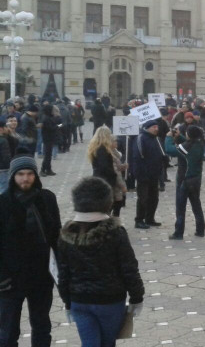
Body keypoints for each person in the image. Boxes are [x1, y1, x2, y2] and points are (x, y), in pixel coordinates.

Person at [57, 177, 145, 346]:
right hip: (110, 301)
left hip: (79, 301)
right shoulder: (116, 233)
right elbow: (129, 268)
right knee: (107, 343)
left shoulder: (67, 235)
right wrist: (136, 297)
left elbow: (63, 273)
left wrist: (67, 301)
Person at [0, 155, 62, 346]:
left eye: (29, 174)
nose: (25, 179)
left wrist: (60, 272)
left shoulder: (47, 199)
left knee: (42, 327)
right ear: (13, 176)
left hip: (41, 276)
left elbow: (57, 237)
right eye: (20, 174)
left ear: (35, 175)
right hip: (11, 279)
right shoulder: (3, 203)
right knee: (8, 332)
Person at [170, 125, 205, 240]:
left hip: (184, 179)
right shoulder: (200, 144)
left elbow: (170, 150)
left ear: (189, 135)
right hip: (196, 179)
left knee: (180, 207)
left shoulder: (185, 147)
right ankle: (200, 230)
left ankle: (178, 232)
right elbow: (188, 142)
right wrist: (179, 136)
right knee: (196, 205)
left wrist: (168, 138)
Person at [130, 120, 166, 230]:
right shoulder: (141, 138)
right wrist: (140, 173)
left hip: (155, 174)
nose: (156, 129)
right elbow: (138, 157)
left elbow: (160, 153)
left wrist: (164, 159)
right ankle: (139, 220)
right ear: (147, 128)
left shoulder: (157, 139)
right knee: (143, 198)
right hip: (143, 174)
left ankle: (150, 218)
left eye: (157, 127)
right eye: (154, 127)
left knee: (154, 198)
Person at [88, 127, 124, 215]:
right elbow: (104, 166)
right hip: (105, 179)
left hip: (99, 177)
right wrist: (114, 175)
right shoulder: (102, 149)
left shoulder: (96, 147)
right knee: (107, 205)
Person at [40, 104, 59, 177]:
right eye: (52, 110)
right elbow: (50, 128)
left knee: (49, 155)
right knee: (47, 155)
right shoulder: (46, 118)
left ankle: (48, 169)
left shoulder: (49, 117)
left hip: (50, 138)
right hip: (47, 139)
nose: (53, 111)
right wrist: (58, 126)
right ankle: (42, 170)